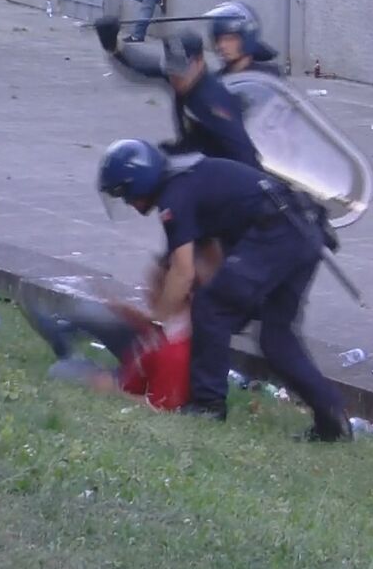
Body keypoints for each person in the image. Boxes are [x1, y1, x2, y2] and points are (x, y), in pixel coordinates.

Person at [96, 138, 351, 441]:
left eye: (126, 195)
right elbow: (210, 257)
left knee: (211, 308)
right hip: (303, 232)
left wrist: (158, 321)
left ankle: (208, 405)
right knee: (276, 339)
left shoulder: (174, 196)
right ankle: (331, 419)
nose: (129, 204)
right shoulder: (188, 180)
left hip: (278, 233)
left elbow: (182, 271)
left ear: (139, 183)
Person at [22, 258, 192, 411]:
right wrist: (133, 316)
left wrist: (113, 390)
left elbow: (160, 407)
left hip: (123, 381)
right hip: (132, 367)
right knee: (93, 311)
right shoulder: (175, 325)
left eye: (155, 287)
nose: (148, 292)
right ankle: (61, 331)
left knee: (60, 371)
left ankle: (67, 349)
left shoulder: (175, 353)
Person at [94, 17, 262, 170]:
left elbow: (244, 152)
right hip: (194, 155)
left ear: (199, 61)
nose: (175, 78)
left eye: (180, 72)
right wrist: (113, 45)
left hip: (220, 173)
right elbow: (141, 65)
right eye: (171, 71)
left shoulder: (211, 101)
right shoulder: (184, 76)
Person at [204, 1, 281, 77]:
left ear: (247, 39)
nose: (221, 46)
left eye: (229, 39)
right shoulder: (216, 81)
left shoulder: (268, 78)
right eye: (218, 40)